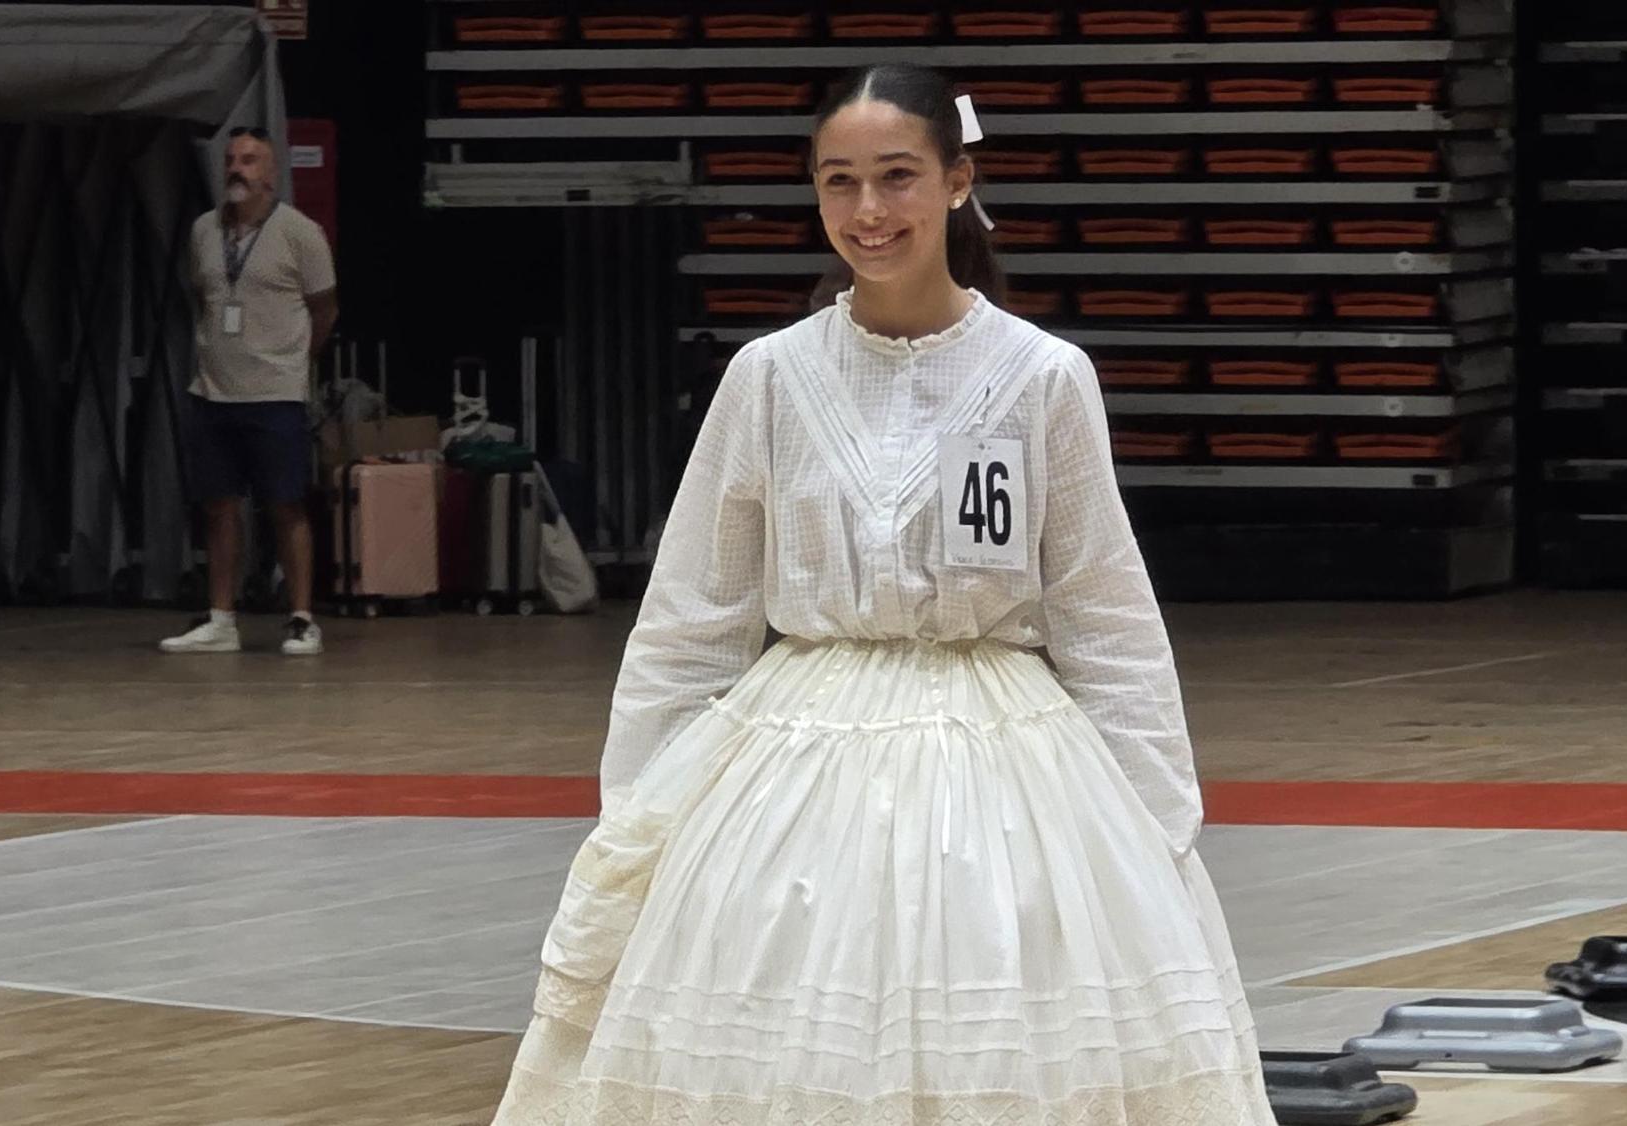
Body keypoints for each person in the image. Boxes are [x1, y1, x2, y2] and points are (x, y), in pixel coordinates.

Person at [492, 64, 1277, 1124]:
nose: (868, 211)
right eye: (838, 182)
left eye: (897, 177)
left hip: (1010, 765)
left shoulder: (1043, 375)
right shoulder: (768, 377)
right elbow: (692, 615)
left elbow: (1103, 609)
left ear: (957, 182)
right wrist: (637, 816)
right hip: (787, 767)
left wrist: (1154, 835)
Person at [161, 126, 337, 657]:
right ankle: (221, 617)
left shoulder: (300, 233)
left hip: (276, 392)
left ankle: (302, 617)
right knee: (219, 507)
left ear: (271, 172)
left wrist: (294, 359)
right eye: (231, 160)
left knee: (286, 505)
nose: (238, 168)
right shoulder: (202, 232)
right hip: (213, 392)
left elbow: (324, 307)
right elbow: (203, 296)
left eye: (250, 160)